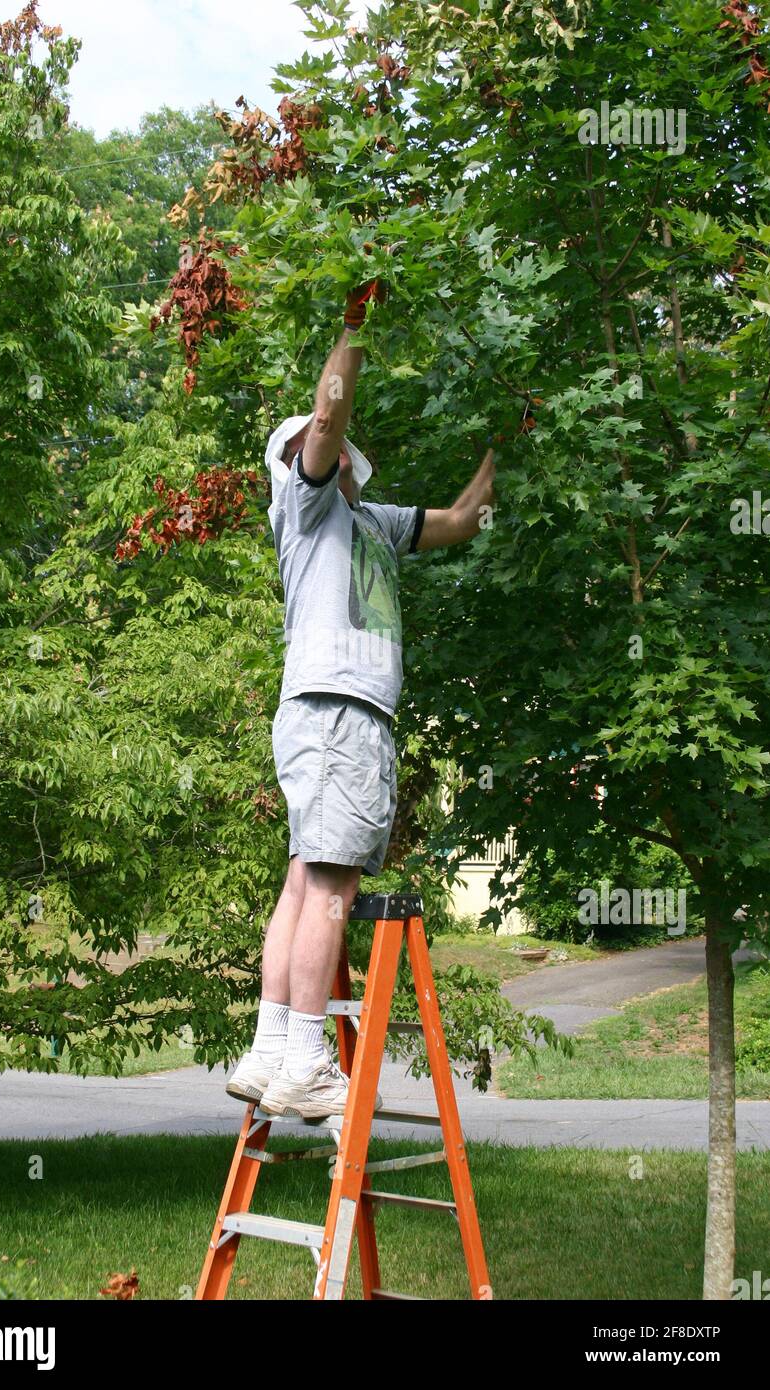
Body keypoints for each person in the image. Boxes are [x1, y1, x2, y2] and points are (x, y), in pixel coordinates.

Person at [226, 276, 496, 1119]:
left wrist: (508, 446)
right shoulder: (305, 507)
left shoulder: (370, 520)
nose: (327, 442)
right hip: (336, 710)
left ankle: (273, 1047)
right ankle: (307, 1055)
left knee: (307, 880)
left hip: (335, 714)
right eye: (315, 439)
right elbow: (331, 412)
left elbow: (457, 522)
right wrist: (353, 323)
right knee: (332, 886)